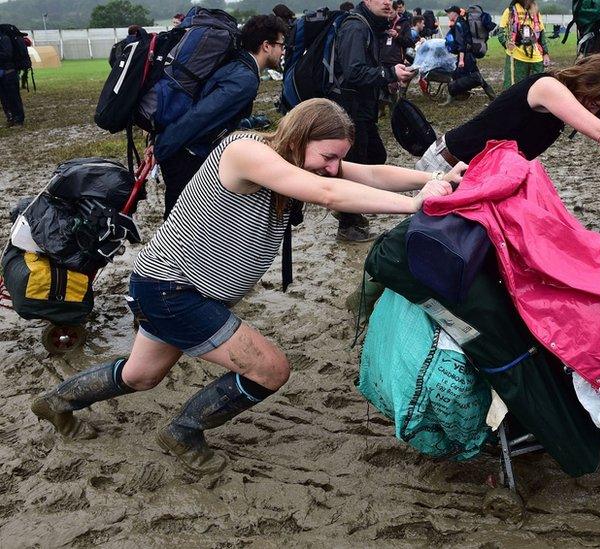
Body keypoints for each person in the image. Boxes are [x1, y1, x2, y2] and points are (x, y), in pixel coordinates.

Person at [30, 98, 461, 476]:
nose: (333, 165)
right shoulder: (246, 152)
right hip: (171, 289)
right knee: (270, 369)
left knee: (140, 376)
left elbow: (366, 174)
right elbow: (328, 192)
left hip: (170, 288)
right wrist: (414, 206)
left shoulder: (295, 158)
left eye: (336, 158)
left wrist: (432, 180)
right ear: (300, 136)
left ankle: (56, 403)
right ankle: (182, 433)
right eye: (327, 156)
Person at [416, 54, 600, 191]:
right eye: (596, 101)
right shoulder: (548, 87)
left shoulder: (576, 98)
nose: (595, 109)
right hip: (448, 165)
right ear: (590, 82)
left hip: (479, 175)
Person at [153, 15, 289, 219]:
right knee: (181, 225)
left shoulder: (239, 66)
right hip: (187, 157)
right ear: (266, 46)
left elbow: (217, 113)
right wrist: (162, 147)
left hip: (184, 151)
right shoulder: (245, 79)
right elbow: (201, 115)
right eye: (281, 45)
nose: (283, 51)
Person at [330, 0, 416, 242]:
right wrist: (390, 74)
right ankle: (348, 223)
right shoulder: (356, 28)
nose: (388, 2)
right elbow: (353, 71)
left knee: (375, 155)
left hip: (363, 107)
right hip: (349, 107)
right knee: (354, 163)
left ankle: (348, 207)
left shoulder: (370, 25)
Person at [443, 5, 494, 104]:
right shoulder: (462, 22)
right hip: (468, 54)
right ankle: (451, 99)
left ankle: (492, 96)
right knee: (457, 74)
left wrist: (461, 59)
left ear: (454, 13)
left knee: (475, 76)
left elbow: (461, 43)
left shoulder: (459, 24)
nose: (448, 15)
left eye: (449, 13)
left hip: (466, 55)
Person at [498, 0, 550, 90]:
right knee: (514, 89)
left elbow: (541, 34)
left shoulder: (535, 12)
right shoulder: (510, 11)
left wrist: (545, 53)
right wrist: (506, 43)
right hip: (516, 57)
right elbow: (501, 33)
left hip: (536, 57)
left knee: (537, 87)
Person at [0, 23, 30, 127]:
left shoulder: (4, 38)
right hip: (2, 73)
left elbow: (7, 54)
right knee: (4, 98)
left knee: (13, 97)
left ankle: (19, 119)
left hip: (9, 72)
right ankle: (11, 118)